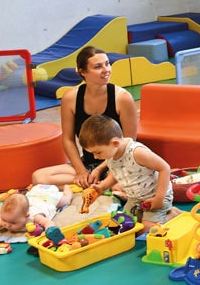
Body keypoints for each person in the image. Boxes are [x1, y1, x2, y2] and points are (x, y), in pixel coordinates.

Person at [32, 46, 138, 190]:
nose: (106, 70)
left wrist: (100, 170)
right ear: (81, 71)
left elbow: (128, 142)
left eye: (107, 64)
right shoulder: (70, 98)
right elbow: (68, 139)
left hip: (119, 163)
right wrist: (81, 171)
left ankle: (101, 184)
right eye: (98, 67)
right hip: (88, 164)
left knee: (118, 187)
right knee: (39, 177)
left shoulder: (123, 98)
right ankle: (95, 183)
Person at [78, 114, 175, 227]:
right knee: (123, 225)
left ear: (115, 143)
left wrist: (159, 198)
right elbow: (116, 174)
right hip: (135, 199)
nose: (95, 157)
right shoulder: (111, 155)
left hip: (156, 196)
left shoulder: (137, 152)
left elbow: (165, 168)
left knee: (147, 230)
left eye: (98, 152)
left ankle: (172, 214)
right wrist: (102, 187)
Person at [0, 185, 74, 243]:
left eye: (13, 223)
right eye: (4, 220)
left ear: (26, 217)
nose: (6, 225)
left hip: (46, 200)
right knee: (24, 199)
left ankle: (67, 189)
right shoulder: (7, 218)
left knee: (65, 201)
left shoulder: (35, 216)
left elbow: (48, 223)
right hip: (33, 197)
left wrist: (48, 231)